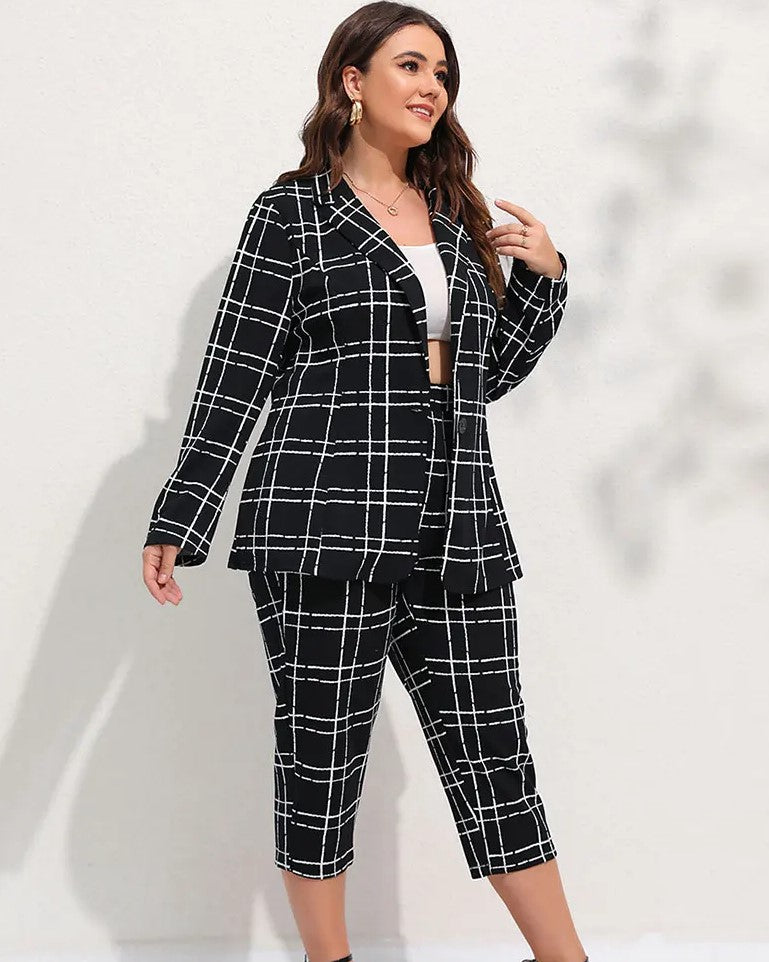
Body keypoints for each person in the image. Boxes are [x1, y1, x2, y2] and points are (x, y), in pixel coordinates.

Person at [141, 4, 587, 962]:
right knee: (323, 763)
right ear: (353, 80)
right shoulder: (292, 214)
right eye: (411, 65)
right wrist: (184, 511)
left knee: (496, 760)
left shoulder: (457, 218)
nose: (432, 88)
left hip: (457, 525)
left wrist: (544, 283)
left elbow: (482, 378)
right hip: (320, 521)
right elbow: (235, 372)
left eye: (443, 73)